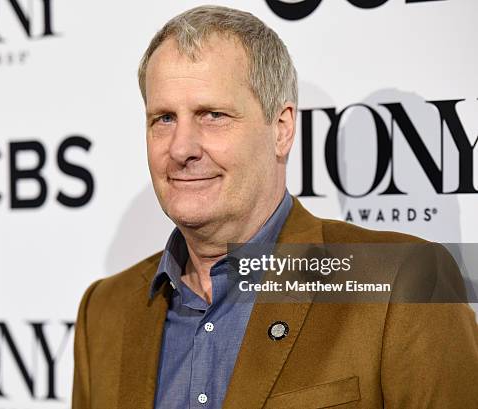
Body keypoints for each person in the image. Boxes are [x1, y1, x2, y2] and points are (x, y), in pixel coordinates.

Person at [72, 5, 477, 408]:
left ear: (281, 129)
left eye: (212, 115)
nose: (181, 148)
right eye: (163, 119)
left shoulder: (402, 282)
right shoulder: (104, 310)